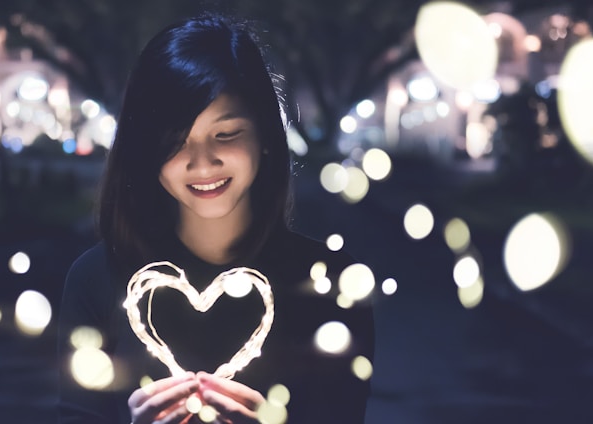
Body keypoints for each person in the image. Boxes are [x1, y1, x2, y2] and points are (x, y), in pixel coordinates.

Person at [57, 14, 374, 423]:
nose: (202, 163)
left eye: (226, 134)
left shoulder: (331, 285)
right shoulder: (96, 280)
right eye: (174, 141)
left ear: (264, 137)